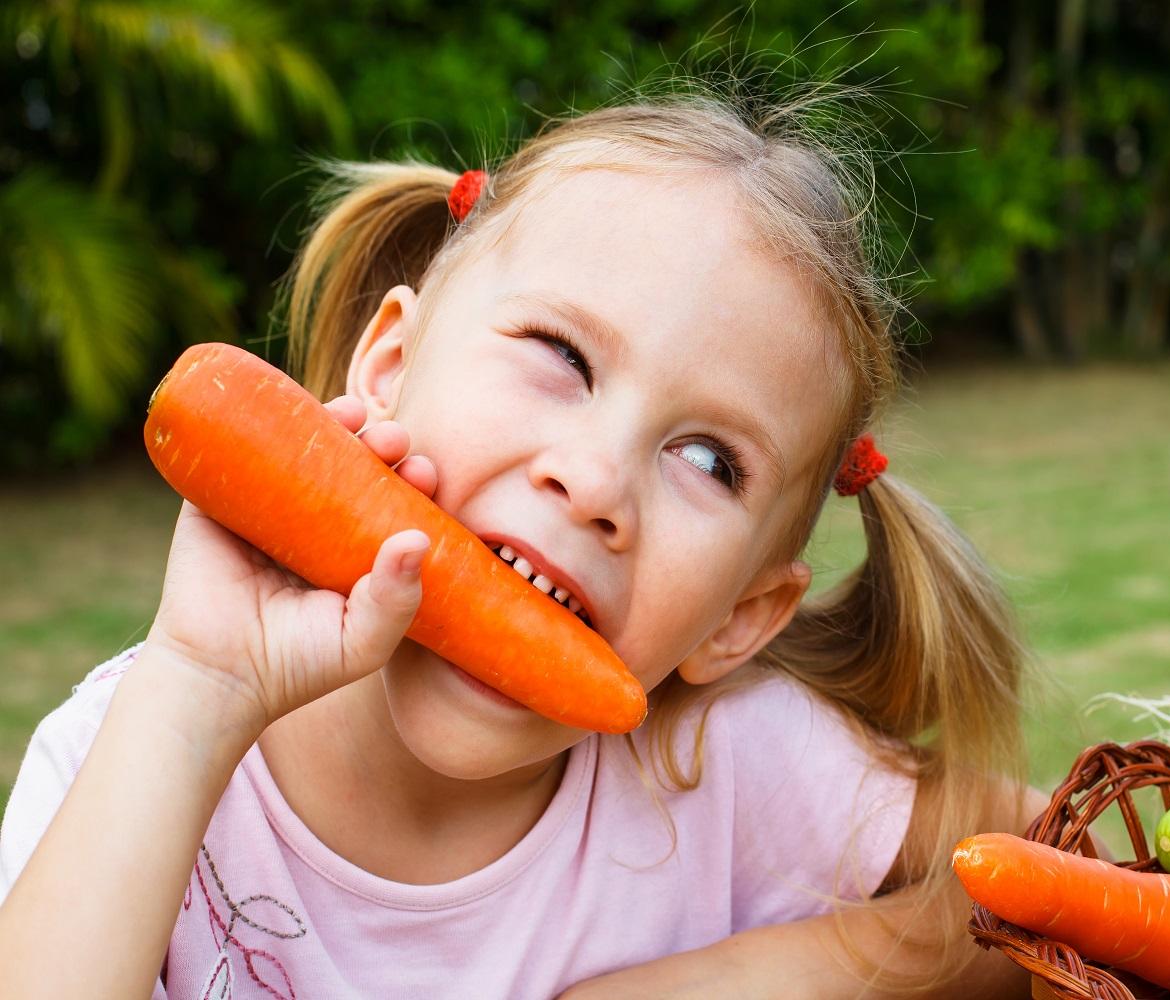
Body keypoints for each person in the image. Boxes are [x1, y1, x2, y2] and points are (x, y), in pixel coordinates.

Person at [0, 78, 1042, 999]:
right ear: (389, 363)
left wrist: (740, 980)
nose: (593, 481)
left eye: (708, 460)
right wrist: (200, 687)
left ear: (738, 616)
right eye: (560, 354)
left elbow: (1084, 865)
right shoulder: (128, 749)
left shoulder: (723, 759)